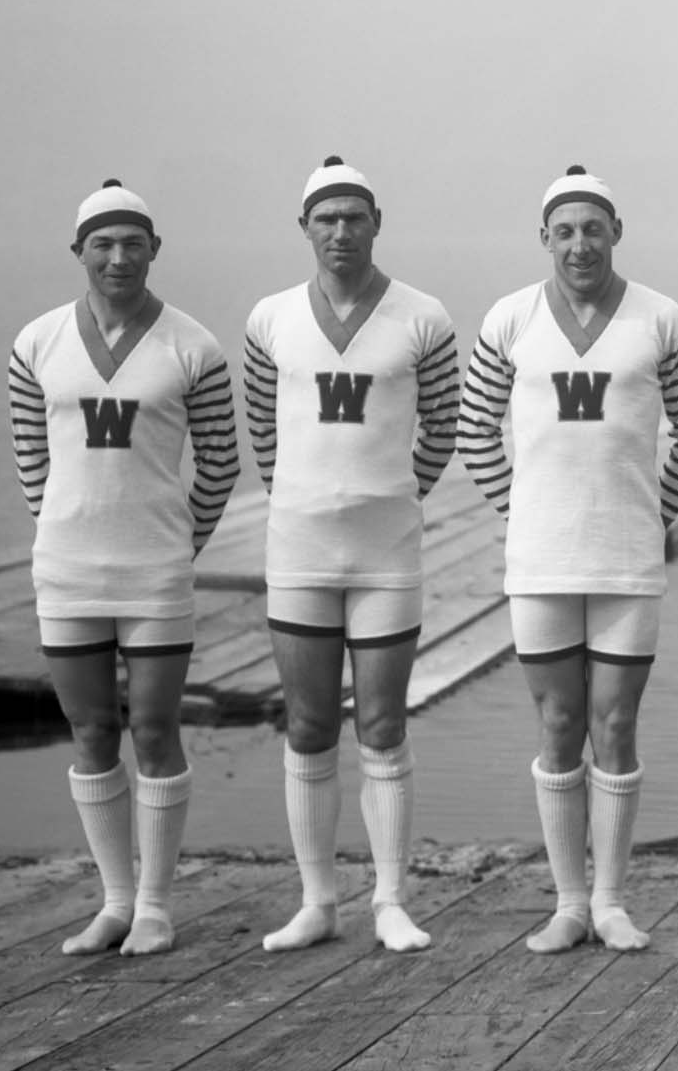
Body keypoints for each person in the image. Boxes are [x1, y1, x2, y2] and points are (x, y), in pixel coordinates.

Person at [459, 165, 678, 953]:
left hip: (627, 561)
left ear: (616, 233)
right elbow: (475, 435)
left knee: (615, 722)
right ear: (544, 238)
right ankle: (567, 902)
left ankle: (611, 900)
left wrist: (651, 515)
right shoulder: (508, 319)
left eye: (593, 228)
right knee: (560, 721)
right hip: (539, 560)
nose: (580, 244)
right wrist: (525, 514)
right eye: (564, 231)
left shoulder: (660, 317)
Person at [9, 179, 239, 956]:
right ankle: (112, 899)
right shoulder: (36, 342)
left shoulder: (193, 345)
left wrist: (180, 539)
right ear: (79, 252)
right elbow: (31, 455)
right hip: (67, 571)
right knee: (92, 729)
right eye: (102, 244)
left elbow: (222, 462)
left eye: (132, 243)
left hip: (156, 574)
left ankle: (155, 905)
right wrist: (63, 527)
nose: (118, 257)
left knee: (154, 727)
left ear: (154, 251)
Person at [243, 156, 458, 953]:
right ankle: (316, 901)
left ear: (376, 223)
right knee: (306, 723)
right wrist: (306, 497)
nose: (340, 231)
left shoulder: (423, 317)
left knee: (382, 721)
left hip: (386, 553)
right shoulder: (269, 318)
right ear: (305, 227)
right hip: (298, 549)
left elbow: (443, 427)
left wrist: (391, 494)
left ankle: (392, 899)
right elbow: (264, 434)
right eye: (325, 219)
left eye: (354, 217)